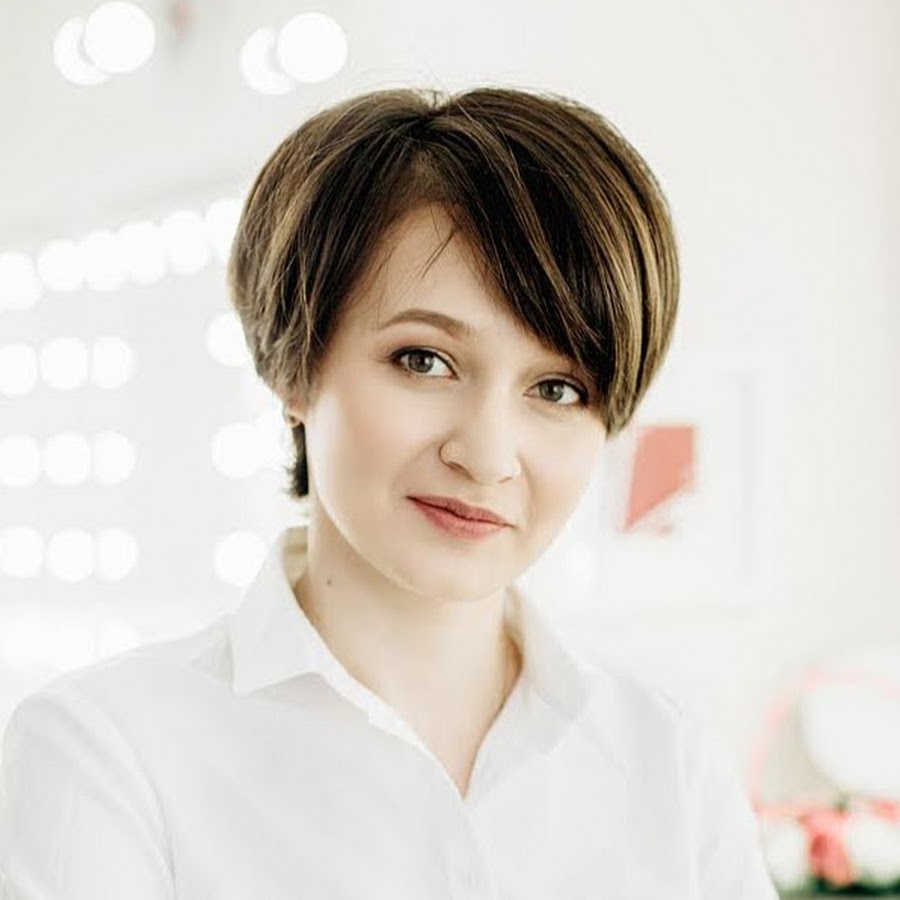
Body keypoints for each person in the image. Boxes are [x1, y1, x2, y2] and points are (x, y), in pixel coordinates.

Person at [0, 87, 778, 898]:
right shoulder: (110, 753)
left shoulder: (672, 765)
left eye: (557, 389)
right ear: (295, 365)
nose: (487, 457)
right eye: (424, 361)